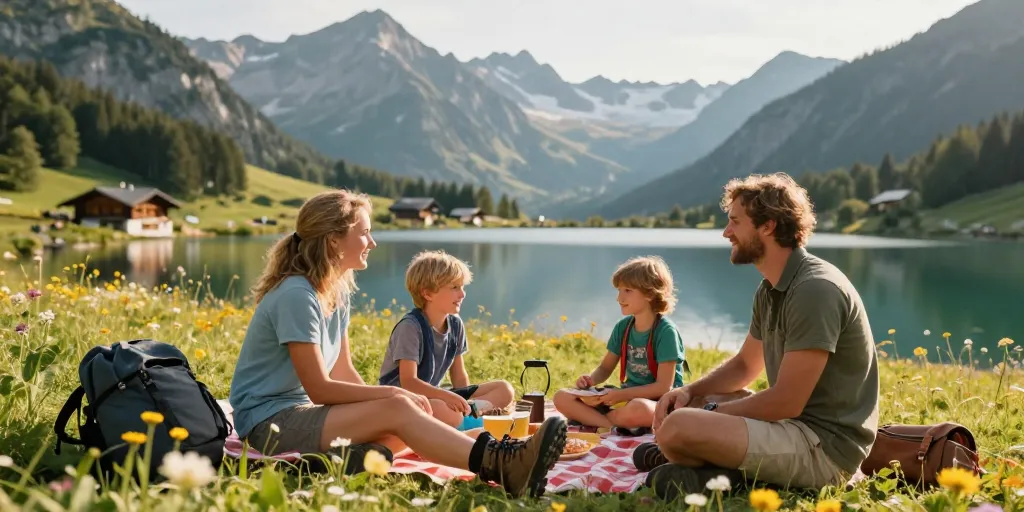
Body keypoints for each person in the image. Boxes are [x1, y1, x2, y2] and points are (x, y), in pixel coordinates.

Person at [227, 190, 567, 498]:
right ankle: (502, 464)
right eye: (364, 232)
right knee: (400, 408)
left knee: (413, 414)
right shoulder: (297, 296)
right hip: (268, 423)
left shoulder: (335, 292)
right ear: (333, 241)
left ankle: (345, 460)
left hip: (303, 414)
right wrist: (392, 397)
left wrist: (386, 407)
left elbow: (343, 372)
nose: (372, 242)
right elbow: (320, 388)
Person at [638, 173, 879, 500]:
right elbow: (744, 366)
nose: (726, 232)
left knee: (681, 425)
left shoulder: (815, 290)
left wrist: (708, 416)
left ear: (768, 226)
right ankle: (722, 473)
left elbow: (786, 401)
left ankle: (725, 472)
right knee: (689, 405)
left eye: (735, 222)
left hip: (824, 448)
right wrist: (690, 391)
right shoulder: (771, 288)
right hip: (793, 428)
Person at [378, 250, 515, 428]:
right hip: (403, 401)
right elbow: (409, 382)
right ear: (428, 294)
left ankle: (468, 417)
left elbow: (458, 375)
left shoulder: (455, 324)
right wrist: (447, 397)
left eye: (462, 287)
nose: (462, 294)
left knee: (504, 389)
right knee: (441, 409)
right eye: (454, 288)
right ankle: (472, 423)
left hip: (435, 396)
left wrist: (463, 402)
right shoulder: (410, 327)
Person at [552, 256, 686, 434]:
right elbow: (605, 368)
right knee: (561, 397)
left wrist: (620, 395)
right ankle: (615, 424)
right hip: (625, 398)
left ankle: (597, 420)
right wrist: (590, 382)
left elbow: (663, 387)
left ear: (650, 294)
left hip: (659, 402)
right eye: (619, 290)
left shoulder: (666, 332)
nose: (619, 298)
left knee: (640, 408)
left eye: (627, 290)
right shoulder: (623, 327)